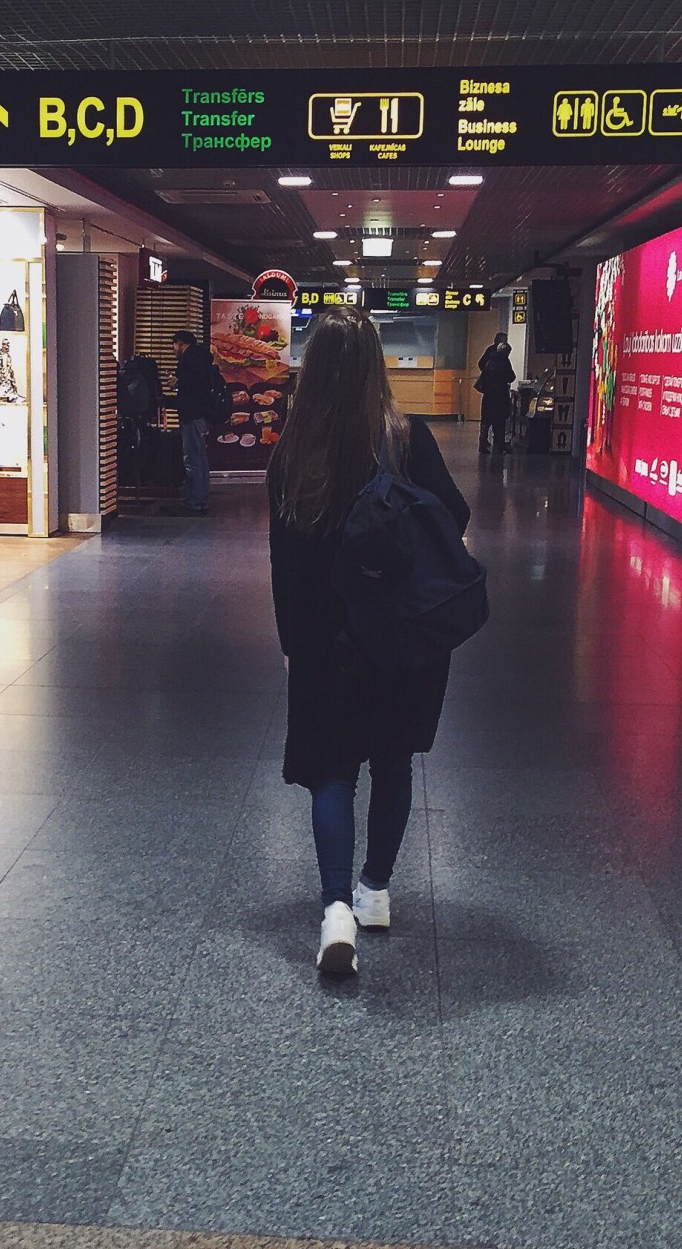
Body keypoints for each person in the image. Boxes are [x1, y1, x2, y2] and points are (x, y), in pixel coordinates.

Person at [268, 307, 470, 976]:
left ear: (314, 369)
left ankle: (334, 910)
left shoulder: (292, 453)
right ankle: (375, 889)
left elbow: (282, 560)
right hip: (403, 636)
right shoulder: (407, 439)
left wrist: (292, 640)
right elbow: (455, 516)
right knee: (391, 760)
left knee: (333, 771)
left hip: (327, 641)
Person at [169, 329, 213, 514]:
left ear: (180, 343)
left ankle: (194, 501)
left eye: (174, 344)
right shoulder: (203, 358)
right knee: (201, 458)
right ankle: (201, 499)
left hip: (191, 414)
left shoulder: (190, 360)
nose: (173, 349)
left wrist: (177, 382)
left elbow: (192, 384)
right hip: (202, 414)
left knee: (192, 459)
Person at [477, 339, 515, 455]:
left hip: (488, 395)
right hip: (500, 396)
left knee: (485, 422)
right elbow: (511, 377)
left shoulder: (488, 361)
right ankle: (500, 446)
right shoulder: (504, 362)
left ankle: (482, 445)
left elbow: (483, 373)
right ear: (506, 352)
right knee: (500, 422)